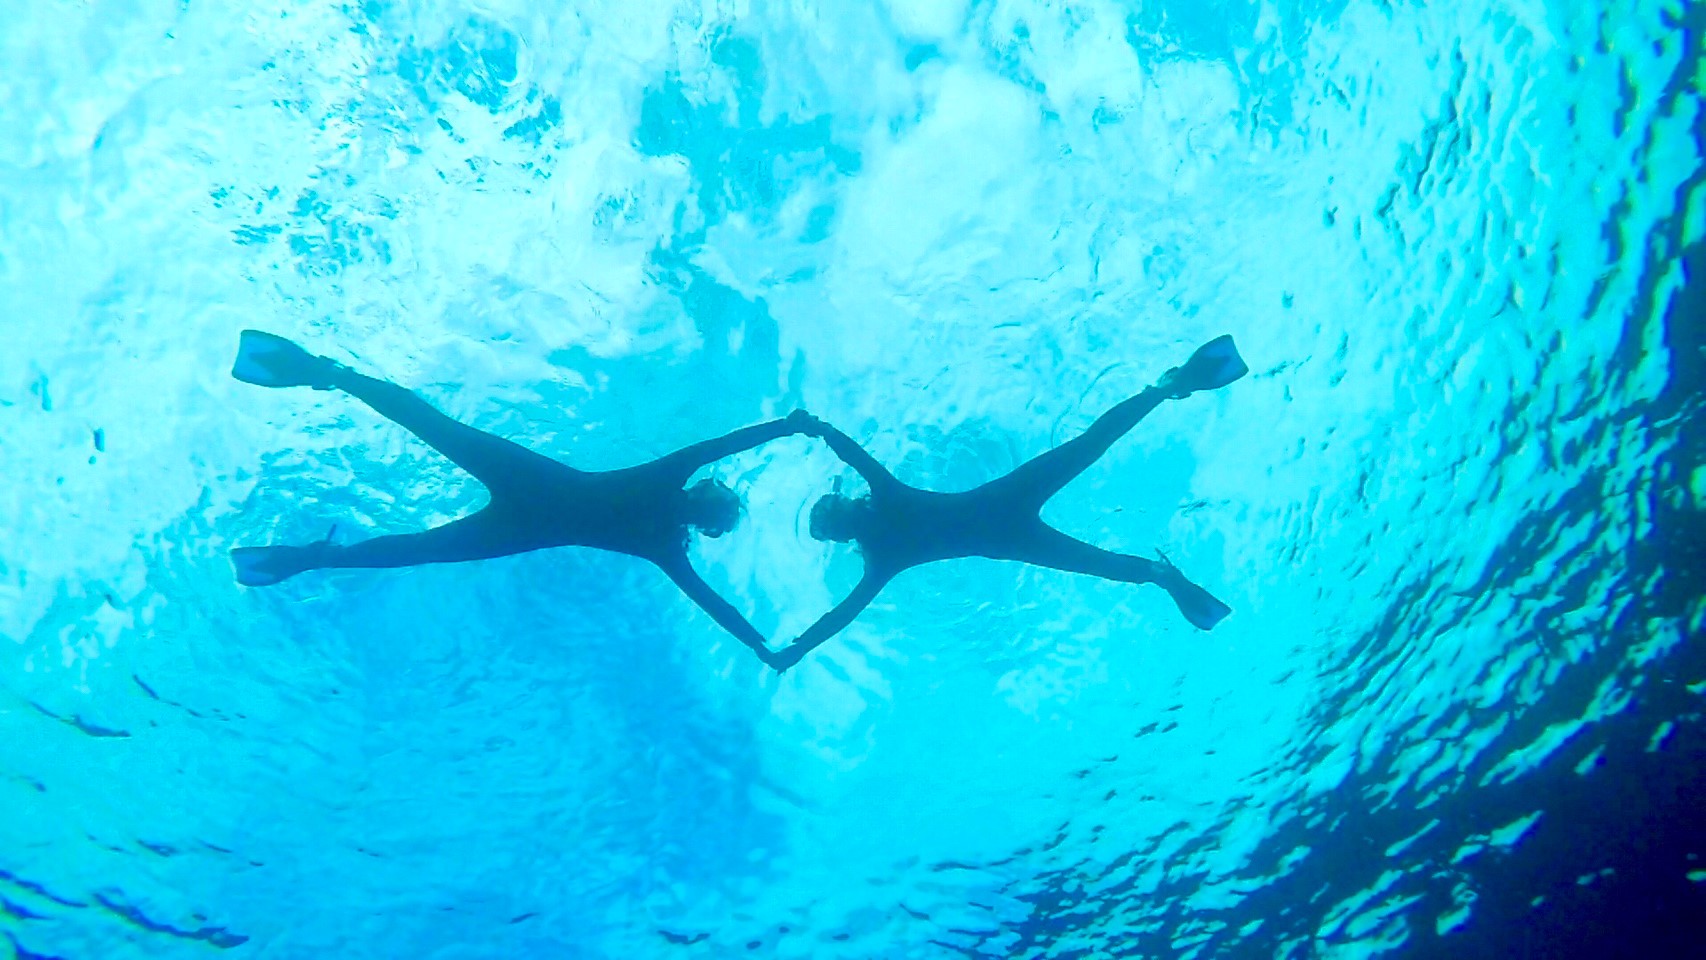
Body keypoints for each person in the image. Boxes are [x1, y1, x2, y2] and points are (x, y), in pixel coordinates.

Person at [228, 330, 808, 665]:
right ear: (705, 525)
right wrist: (762, 647)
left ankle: (325, 375)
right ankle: (312, 556)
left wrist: (786, 427)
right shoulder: (664, 541)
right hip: (527, 522)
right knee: (420, 536)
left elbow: (722, 447)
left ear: (705, 498)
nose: (705, 491)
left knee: (433, 430)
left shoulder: (668, 502)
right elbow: (715, 602)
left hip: (532, 493)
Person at [771, 335, 1249, 672]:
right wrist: (820, 429)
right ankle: (1165, 389)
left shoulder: (882, 557)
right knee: (1091, 445)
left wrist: (798, 650)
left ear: (841, 538)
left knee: (1094, 553)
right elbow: (855, 456)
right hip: (1005, 502)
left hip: (1005, 537)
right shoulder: (884, 507)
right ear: (844, 511)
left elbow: (842, 615)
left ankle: (1160, 575)